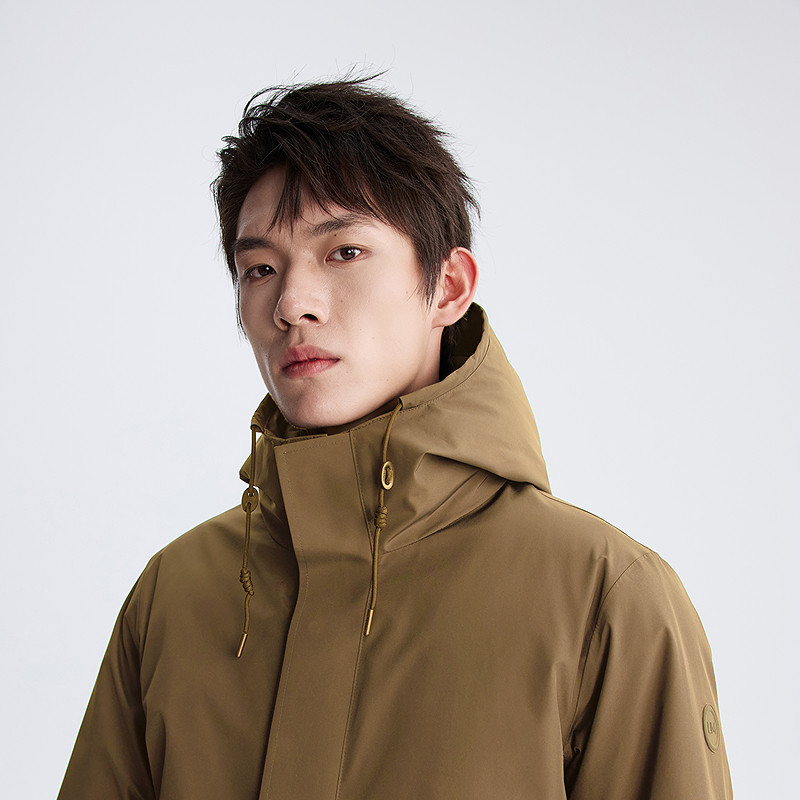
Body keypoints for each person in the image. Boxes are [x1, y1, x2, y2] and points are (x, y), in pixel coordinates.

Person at [59, 77, 733, 799]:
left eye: (344, 252)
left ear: (449, 286)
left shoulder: (605, 598)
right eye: (260, 269)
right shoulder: (175, 596)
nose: (292, 304)